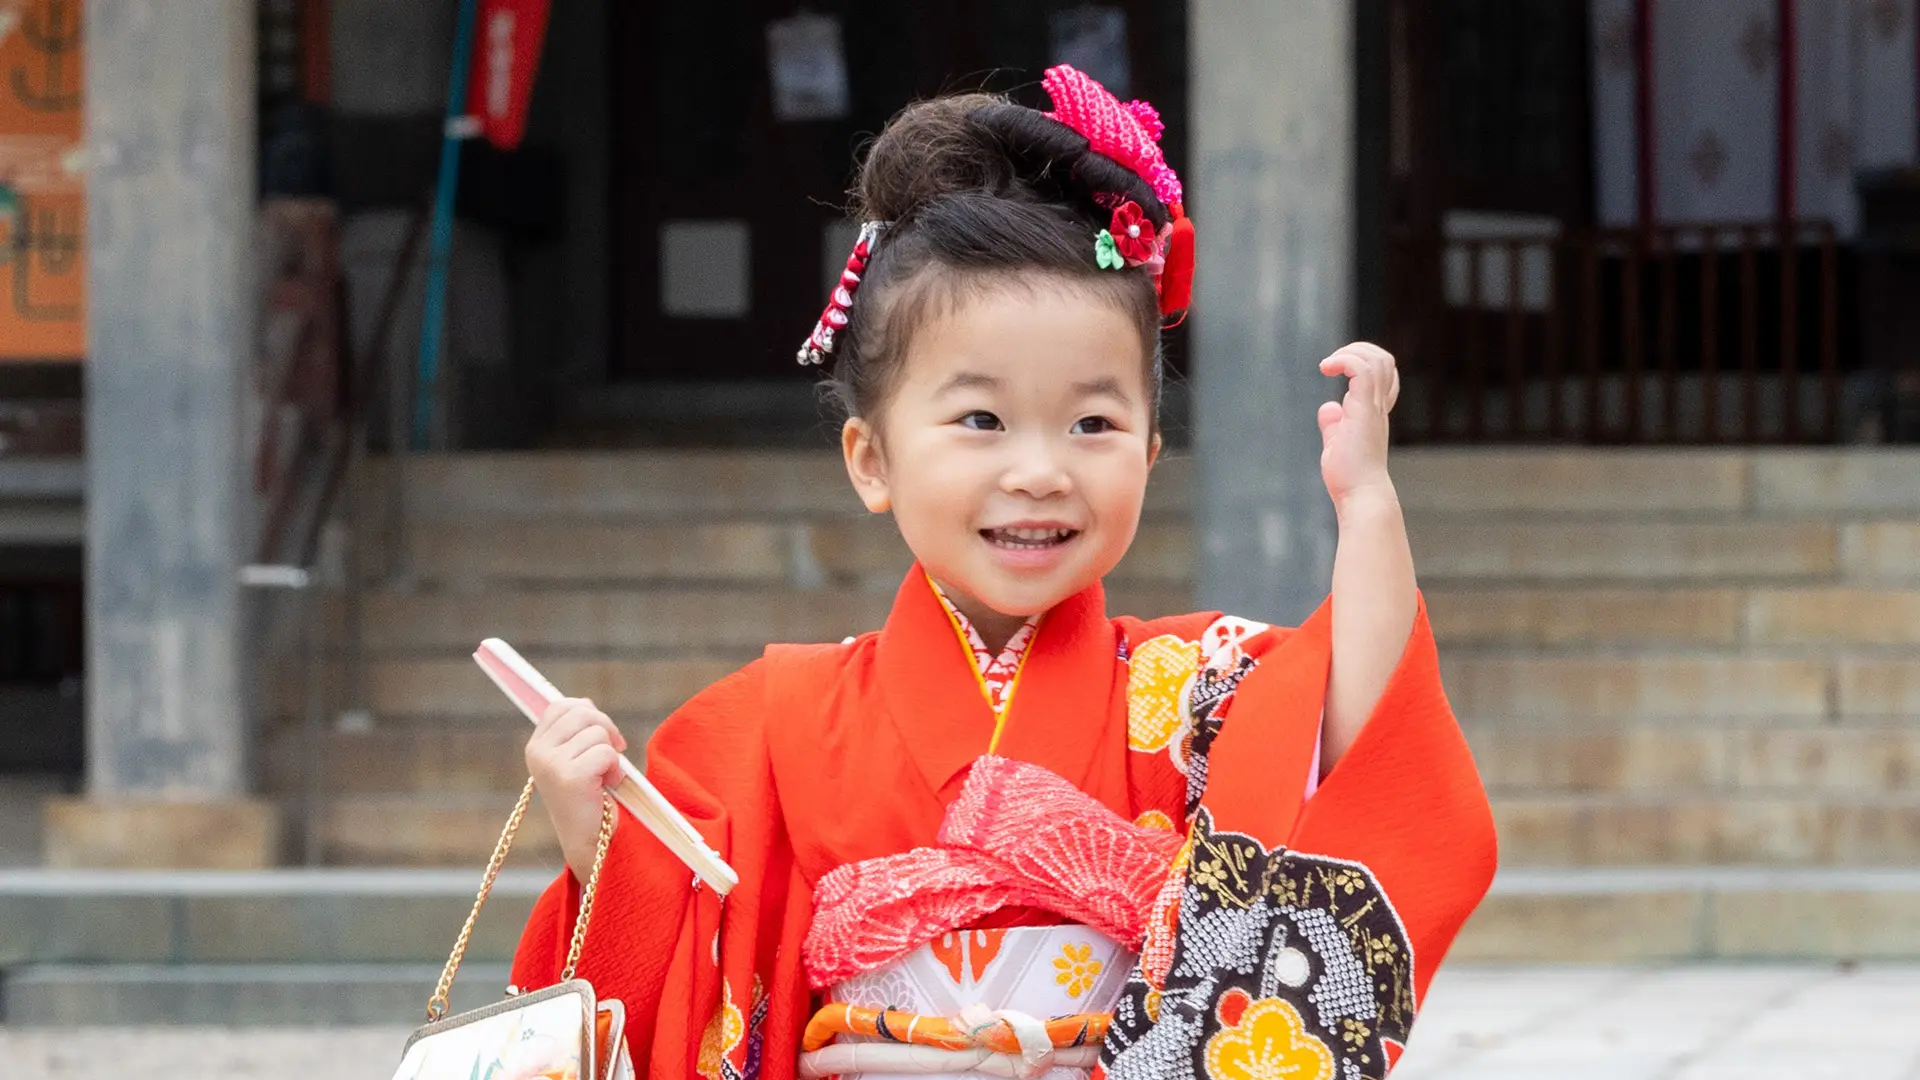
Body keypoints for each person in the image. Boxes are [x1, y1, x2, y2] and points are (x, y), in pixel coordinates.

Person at [512, 65, 1496, 1080]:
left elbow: (1364, 736)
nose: (1040, 471)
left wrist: (1368, 508)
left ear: (1151, 452)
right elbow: (680, 946)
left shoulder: (1190, 687)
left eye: (1094, 422)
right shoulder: (770, 720)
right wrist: (597, 838)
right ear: (872, 460)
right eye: (981, 419)